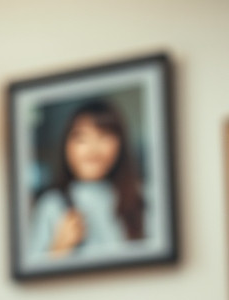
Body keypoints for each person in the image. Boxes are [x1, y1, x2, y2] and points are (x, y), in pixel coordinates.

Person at [28, 98, 147, 259]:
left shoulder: (144, 198)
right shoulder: (51, 205)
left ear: (120, 144)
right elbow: (33, 275)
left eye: (104, 136)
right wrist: (58, 249)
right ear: (66, 146)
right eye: (81, 138)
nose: (93, 149)